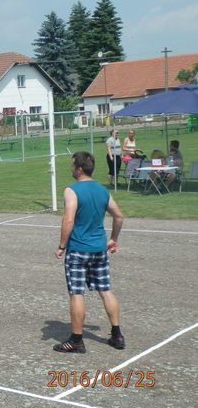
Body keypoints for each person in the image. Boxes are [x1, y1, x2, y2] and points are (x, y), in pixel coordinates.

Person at [53, 151, 125, 354]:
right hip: (99, 249)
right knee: (105, 290)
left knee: (76, 293)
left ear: (79, 169)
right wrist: (114, 239)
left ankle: (76, 340)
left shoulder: (72, 190)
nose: (70, 168)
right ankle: (117, 335)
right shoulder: (102, 190)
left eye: (72, 165)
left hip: (78, 249)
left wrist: (61, 246)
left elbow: (69, 219)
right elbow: (118, 216)